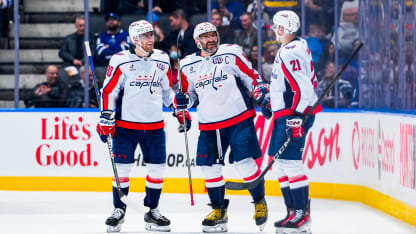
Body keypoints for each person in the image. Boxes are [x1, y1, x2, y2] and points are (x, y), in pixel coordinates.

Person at [96, 20, 191, 232]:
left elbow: (167, 92)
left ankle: (153, 211)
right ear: (135, 39)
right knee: (122, 170)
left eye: (151, 35)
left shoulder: (162, 58)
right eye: (145, 36)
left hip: (155, 128)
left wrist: (178, 109)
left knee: (157, 170)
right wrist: (106, 116)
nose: (150, 39)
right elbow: (109, 91)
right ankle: (118, 210)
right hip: (125, 127)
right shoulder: (120, 60)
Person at [175, 22, 268, 233]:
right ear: (197, 42)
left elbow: (252, 77)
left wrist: (261, 90)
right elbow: (189, 97)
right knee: (208, 168)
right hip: (209, 124)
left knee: (244, 164)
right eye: (205, 37)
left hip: (238, 118)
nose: (211, 39)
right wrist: (182, 102)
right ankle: (219, 211)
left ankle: (260, 202)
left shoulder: (231, 53)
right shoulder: (187, 65)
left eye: (213, 35)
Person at [258, 10, 322, 234]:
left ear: (284, 29)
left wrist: (297, 117)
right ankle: (292, 212)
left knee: (291, 162)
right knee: (281, 162)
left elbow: (304, 88)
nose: (274, 30)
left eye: (276, 26)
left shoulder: (290, 52)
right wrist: (270, 101)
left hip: (293, 114)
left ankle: (301, 215)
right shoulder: (293, 47)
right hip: (284, 113)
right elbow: (288, 83)